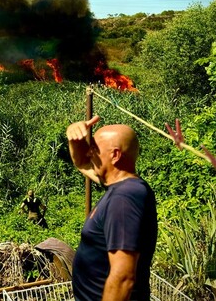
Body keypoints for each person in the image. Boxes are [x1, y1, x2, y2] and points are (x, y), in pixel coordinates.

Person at [65, 115, 157, 301]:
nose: (90, 153)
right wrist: (73, 137)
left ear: (115, 155)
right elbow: (82, 162)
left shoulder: (125, 198)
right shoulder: (120, 187)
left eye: (95, 149)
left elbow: (123, 277)